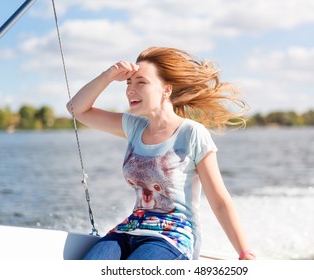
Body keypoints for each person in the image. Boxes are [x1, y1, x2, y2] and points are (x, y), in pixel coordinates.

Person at [67, 47, 255, 260]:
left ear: (166, 90)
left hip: (173, 236)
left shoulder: (192, 133)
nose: (130, 90)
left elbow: (219, 201)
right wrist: (108, 75)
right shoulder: (133, 127)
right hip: (128, 230)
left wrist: (244, 252)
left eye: (141, 82)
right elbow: (76, 109)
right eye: (129, 83)